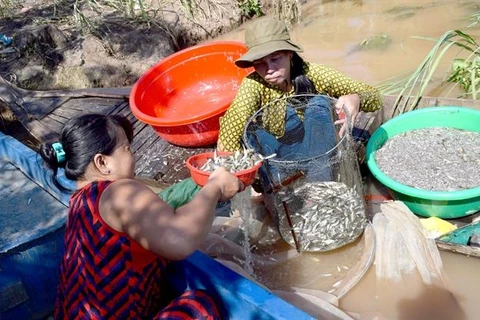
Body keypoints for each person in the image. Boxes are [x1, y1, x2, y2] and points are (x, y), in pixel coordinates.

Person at [40, 113, 244, 319]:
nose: (134, 155)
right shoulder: (117, 192)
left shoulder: (79, 202)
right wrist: (215, 186)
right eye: (126, 148)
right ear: (102, 163)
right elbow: (180, 240)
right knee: (199, 306)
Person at [217, 17, 383, 153]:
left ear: (289, 54)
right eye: (260, 63)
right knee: (251, 134)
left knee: (318, 105)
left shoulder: (314, 73)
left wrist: (356, 98)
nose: (269, 70)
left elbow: (375, 97)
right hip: (275, 148)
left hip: (318, 142)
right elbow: (233, 125)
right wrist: (231, 167)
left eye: (275, 59)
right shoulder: (253, 85)